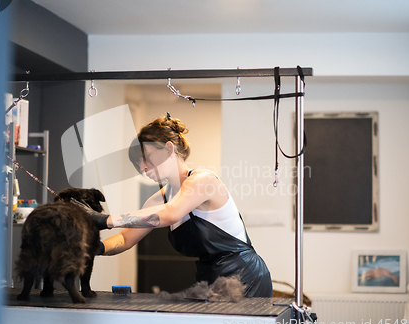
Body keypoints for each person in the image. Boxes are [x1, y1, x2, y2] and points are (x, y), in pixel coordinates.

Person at [74, 114, 273, 297]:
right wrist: (93, 248)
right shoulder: (159, 199)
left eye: (147, 157)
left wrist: (103, 220)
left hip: (245, 276)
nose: (143, 167)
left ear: (169, 149)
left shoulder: (202, 180)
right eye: (138, 162)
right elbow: (126, 238)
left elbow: (170, 215)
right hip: (210, 278)